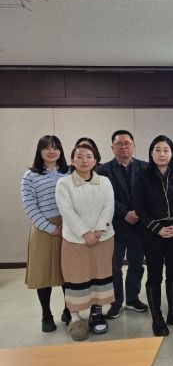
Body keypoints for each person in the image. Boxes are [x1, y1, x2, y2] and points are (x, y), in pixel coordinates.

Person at [55, 143, 115, 341]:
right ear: (72, 160)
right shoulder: (64, 183)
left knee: (100, 275)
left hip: (103, 238)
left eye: (89, 156)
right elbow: (66, 211)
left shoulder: (104, 181)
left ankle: (96, 313)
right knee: (76, 277)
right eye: (79, 156)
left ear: (95, 160)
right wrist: (85, 233)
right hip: (74, 240)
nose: (84, 160)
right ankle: (75, 318)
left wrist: (98, 231)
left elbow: (109, 206)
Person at [133, 135, 173, 336]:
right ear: (151, 153)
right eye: (157, 150)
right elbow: (139, 207)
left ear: (172, 153)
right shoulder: (142, 176)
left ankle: (172, 313)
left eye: (166, 150)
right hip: (152, 231)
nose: (162, 154)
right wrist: (157, 228)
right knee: (154, 274)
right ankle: (157, 318)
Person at [97, 130, 149, 319]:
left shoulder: (146, 167)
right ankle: (116, 302)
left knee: (137, 264)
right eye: (119, 144)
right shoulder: (102, 171)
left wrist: (139, 212)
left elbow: (151, 194)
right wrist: (124, 213)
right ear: (112, 147)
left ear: (133, 145)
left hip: (139, 225)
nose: (123, 147)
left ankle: (133, 299)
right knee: (114, 266)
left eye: (127, 143)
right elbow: (103, 197)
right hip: (114, 225)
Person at [21, 135, 70, 332]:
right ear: (39, 151)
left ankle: (69, 310)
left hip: (68, 227)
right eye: (47, 148)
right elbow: (29, 206)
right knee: (43, 274)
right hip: (42, 229)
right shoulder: (30, 176)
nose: (52, 151)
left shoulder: (69, 172)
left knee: (68, 272)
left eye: (56, 147)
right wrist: (50, 228)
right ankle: (46, 315)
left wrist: (67, 224)